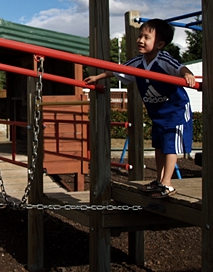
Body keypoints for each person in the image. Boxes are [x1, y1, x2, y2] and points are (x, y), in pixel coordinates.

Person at [84, 19, 196, 198]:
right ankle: (160, 181)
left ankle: (167, 183)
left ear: (159, 44)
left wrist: (188, 75)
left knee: (170, 147)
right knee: (159, 147)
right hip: (158, 113)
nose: (140, 40)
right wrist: (98, 77)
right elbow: (118, 70)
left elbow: (180, 68)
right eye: (140, 36)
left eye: (146, 37)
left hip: (175, 110)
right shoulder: (138, 62)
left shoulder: (164, 59)